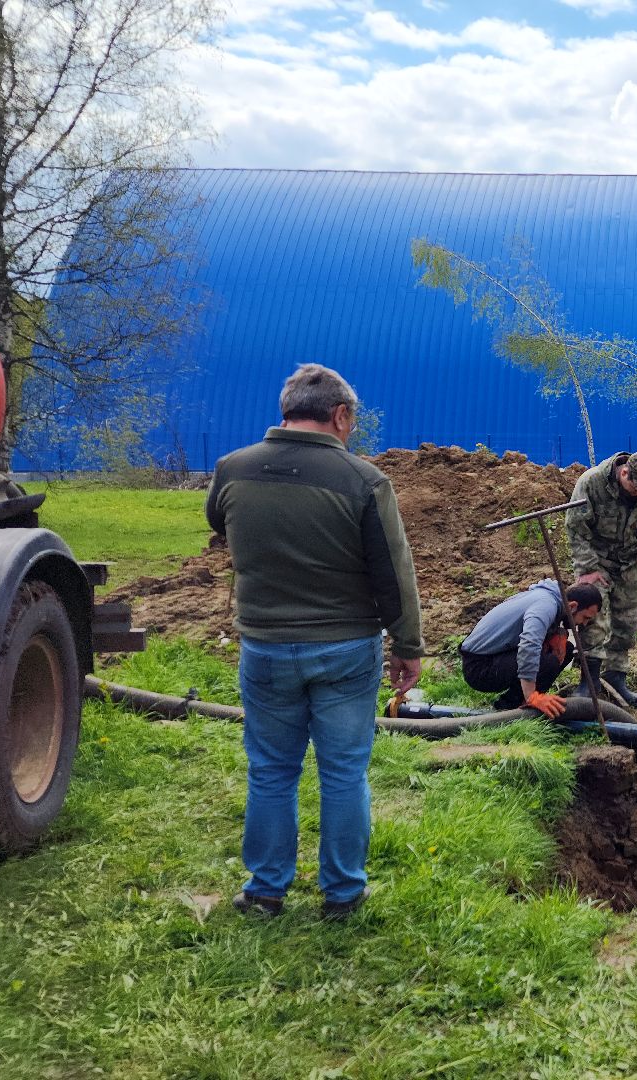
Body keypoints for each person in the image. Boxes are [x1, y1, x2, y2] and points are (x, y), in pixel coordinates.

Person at [206, 364, 423, 921]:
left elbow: (217, 522)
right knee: (344, 771)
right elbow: (392, 572)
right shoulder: (364, 481)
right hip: (346, 650)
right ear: (340, 415)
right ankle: (343, 895)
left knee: (271, 770)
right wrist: (407, 646)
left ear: (287, 410)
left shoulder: (233, 469)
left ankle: (265, 890)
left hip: (265, 648)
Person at [565, 449, 637, 708]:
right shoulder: (592, 483)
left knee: (627, 620)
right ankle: (588, 684)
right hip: (596, 560)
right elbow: (575, 528)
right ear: (624, 472)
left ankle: (616, 677)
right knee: (594, 619)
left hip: (629, 561)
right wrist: (588, 568)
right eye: (635, 487)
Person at [459, 580, 603, 715]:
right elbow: (529, 645)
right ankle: (514, 706)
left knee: (566, 649)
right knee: (549, 661)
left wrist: (555, 634)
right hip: (478, 667)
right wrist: (532, 696)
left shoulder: (547, 598)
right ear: (572, 606)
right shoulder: (546, 606)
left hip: (495, 657)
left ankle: (517, 702)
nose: (584, 624)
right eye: (585, 618)